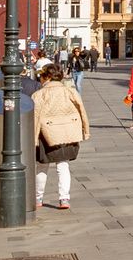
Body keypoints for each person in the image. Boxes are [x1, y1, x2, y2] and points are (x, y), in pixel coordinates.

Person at [30, 63, 89, 210]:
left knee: (42, 167)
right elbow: (82, 111)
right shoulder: (70, 92)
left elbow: (35, 118)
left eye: (41, 76)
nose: (40, 79)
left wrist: (33, 138)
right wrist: (85, 131)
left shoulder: (39, 95)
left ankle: (38, 198)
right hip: (67, 134)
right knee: (63, 166)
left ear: (47, 77)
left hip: (46, 135)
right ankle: (64, 199)